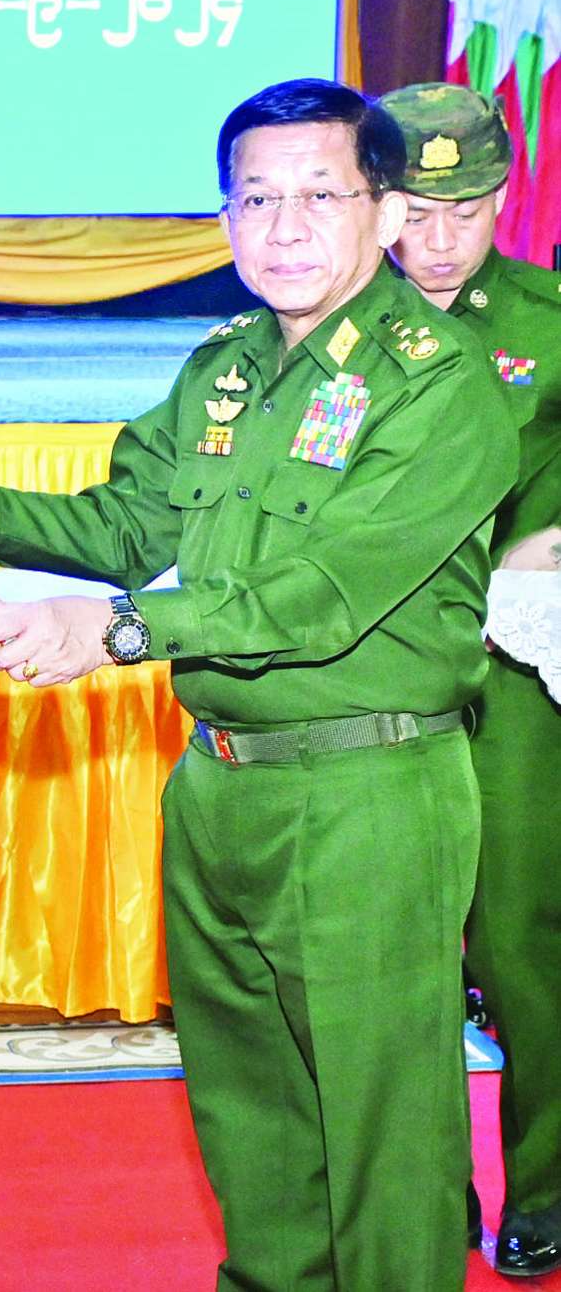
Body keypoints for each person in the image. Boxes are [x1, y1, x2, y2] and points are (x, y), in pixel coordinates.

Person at [0, 78, 518, 1290]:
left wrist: (112, 633)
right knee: (250, 1120)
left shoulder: (439, 386)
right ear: (222, 220)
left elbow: (314, 596)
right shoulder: (224, 367)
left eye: (318, 196)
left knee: (382, 1134)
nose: (282, 228)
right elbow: (123, 525)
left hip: (367, 789)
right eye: (254, 200)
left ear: (382, 213)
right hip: (216, 786)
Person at [383, 80, 561, 1278]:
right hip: (371, 676)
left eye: (466, 211)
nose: (439, 241)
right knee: (392, 953)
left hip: (511, 680)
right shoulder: (325, 328)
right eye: (416, 212)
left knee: (518, 944)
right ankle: (415, 1187)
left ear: (502, 200)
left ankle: (542, 1187)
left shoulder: (546, 321)